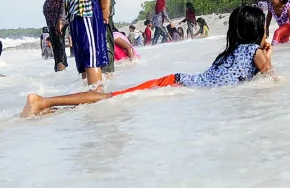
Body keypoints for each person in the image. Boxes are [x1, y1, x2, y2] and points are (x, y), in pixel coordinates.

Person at [21, 6, 274, 117]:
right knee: (112, 97)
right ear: (255, 30)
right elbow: (271, 80)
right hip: (177, 84)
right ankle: (42, 101)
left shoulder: (229, 53)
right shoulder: (255, 52)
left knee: (115, 97)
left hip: (178, 80)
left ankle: (47, 107)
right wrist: (268, 57)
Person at [40, 0, 71, 72]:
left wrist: (60, 21)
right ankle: (59, 74)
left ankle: (61, 74)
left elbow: (64, 1)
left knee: (59, 47)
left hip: (59, 21)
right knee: (56, 47)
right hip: (52, 21)